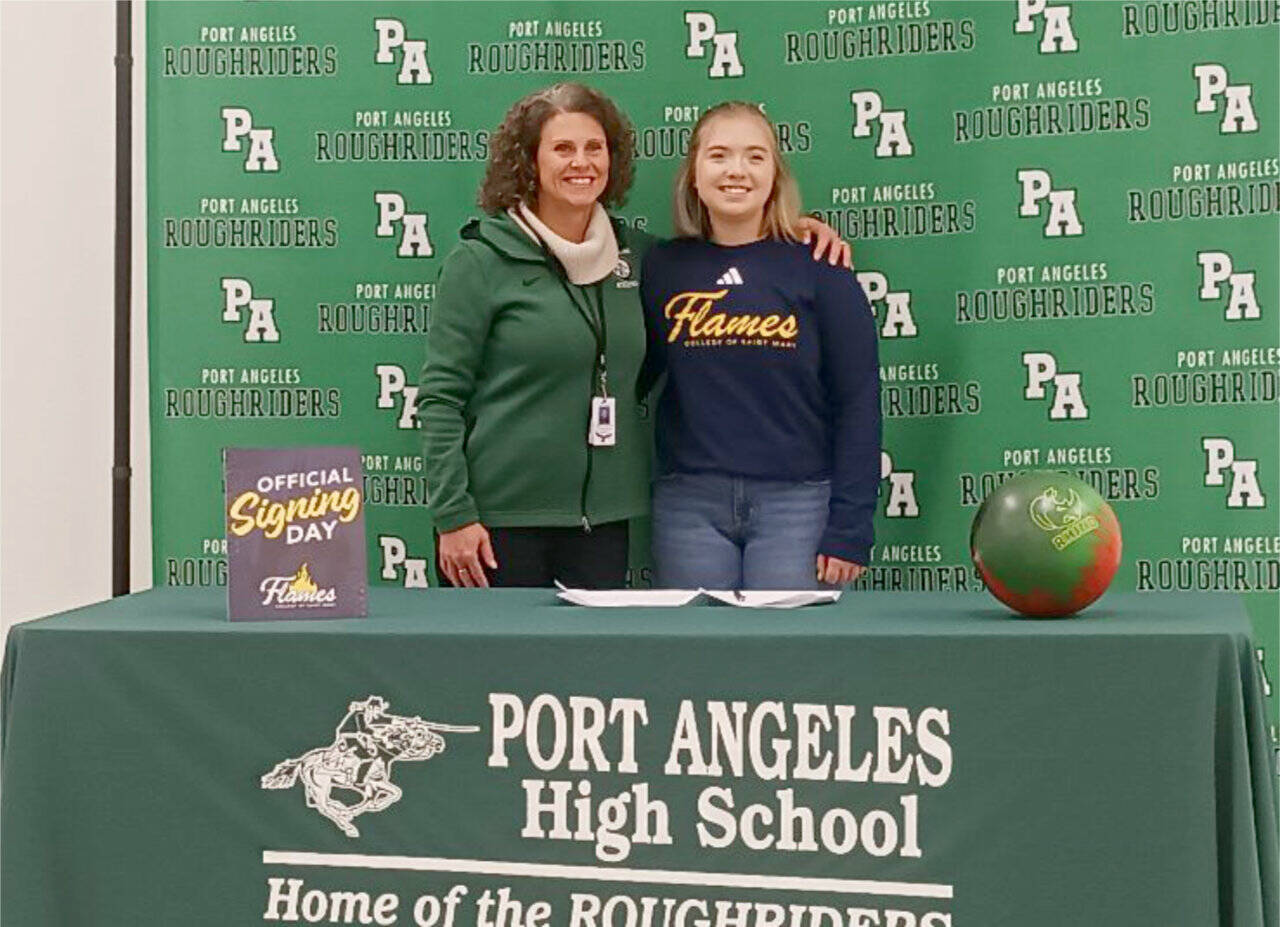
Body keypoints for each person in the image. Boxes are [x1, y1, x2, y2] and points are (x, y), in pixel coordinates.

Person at [419, 84, 851, 589]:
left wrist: (792, 227)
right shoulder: (479, 262)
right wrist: (453, 516)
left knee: (592, 670)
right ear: (528, 163)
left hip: (601, 526)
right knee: (496, 671)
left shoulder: (644, 258)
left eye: (594, 148)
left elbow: (727, 254)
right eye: (562, 149)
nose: (581, 163)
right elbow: (440, 399)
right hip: (496, 526)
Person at [640, 102, 881, 591]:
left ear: (775, 174)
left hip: (798, 505)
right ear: (693, 173)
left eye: (755, 156)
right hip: (689, 503)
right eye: (719, 155)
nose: (736, 171)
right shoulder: (661, 269)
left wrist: (850, 528)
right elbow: (630, 373)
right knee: (696, 658)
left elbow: (858, 402)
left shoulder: (821, 267)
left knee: (791, 662)